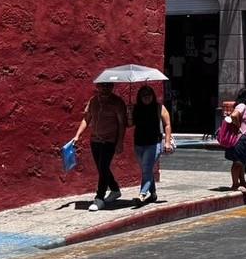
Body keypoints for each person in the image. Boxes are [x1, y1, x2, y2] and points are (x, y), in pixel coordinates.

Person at [72, 82, 127, 211]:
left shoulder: (118, 102)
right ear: (97, 87)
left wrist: (119, 142)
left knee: (103, 167)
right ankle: (115, 190)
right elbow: (87, 118)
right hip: (95, 140)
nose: (105, 88)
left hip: (109, 141)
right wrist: (77, 135)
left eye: (108, 86)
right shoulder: (93, 101)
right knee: (103, 168)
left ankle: (99, 198)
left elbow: (122, 124)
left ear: (112, 87)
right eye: (102, 86)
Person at [131, 85, 174, 203]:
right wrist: (129, 112)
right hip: (138, 143)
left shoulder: (159, 107)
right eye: (144, 95)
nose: (147, 97)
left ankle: (142, 194)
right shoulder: (136, 108)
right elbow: (129, 124)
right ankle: (153, 194)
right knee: (146, 169)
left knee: (146, 168)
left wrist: (167, 142)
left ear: (153, 95)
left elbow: (167, 124)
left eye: (149, 94)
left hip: (154, 143)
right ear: (140, 96)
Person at [223, 87, 246, 189]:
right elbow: (234, 116)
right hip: (241, 139)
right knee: (238, 162)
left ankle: (242, 181)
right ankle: (235, 184)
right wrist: (238, 127)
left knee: (243, 161)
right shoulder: (241, 106)